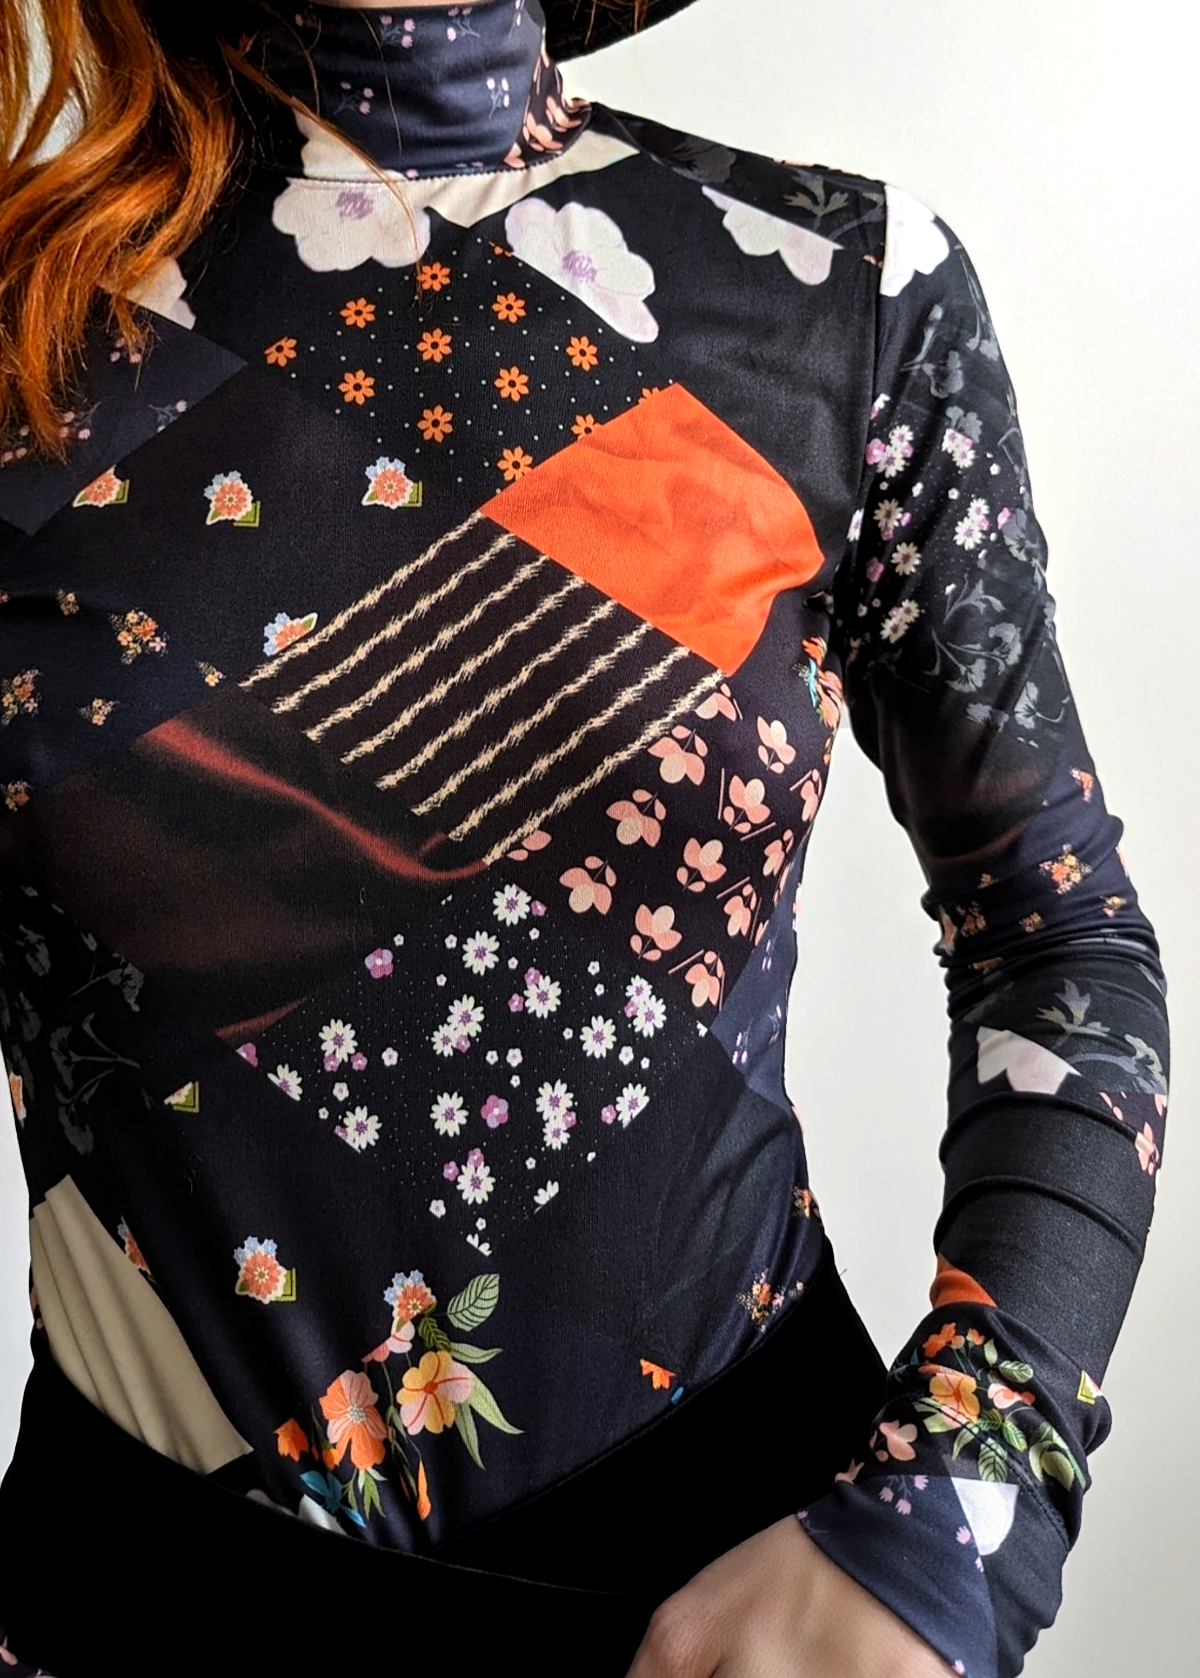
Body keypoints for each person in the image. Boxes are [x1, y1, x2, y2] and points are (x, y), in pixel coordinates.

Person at [0, 2, 1170, 1675]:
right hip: (133, 1612)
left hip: (749, 1597)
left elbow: (1059, 941)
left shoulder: (846, 294)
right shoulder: (26, 340)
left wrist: (963, 1508)